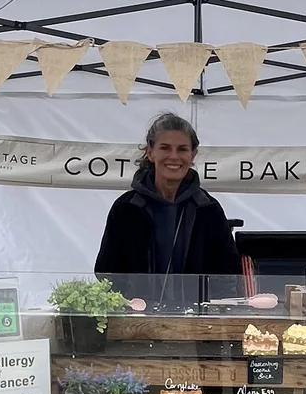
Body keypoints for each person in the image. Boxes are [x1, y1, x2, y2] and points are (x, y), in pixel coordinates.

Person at [95, 113, 240, 287]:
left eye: (182, 149)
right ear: (150, 153)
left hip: (197, 313)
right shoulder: (126, 208)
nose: (174, 156)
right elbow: (106, 272)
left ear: (193, 155)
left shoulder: (208, 208)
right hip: (139, 312)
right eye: (165, 148)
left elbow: (230, 274)